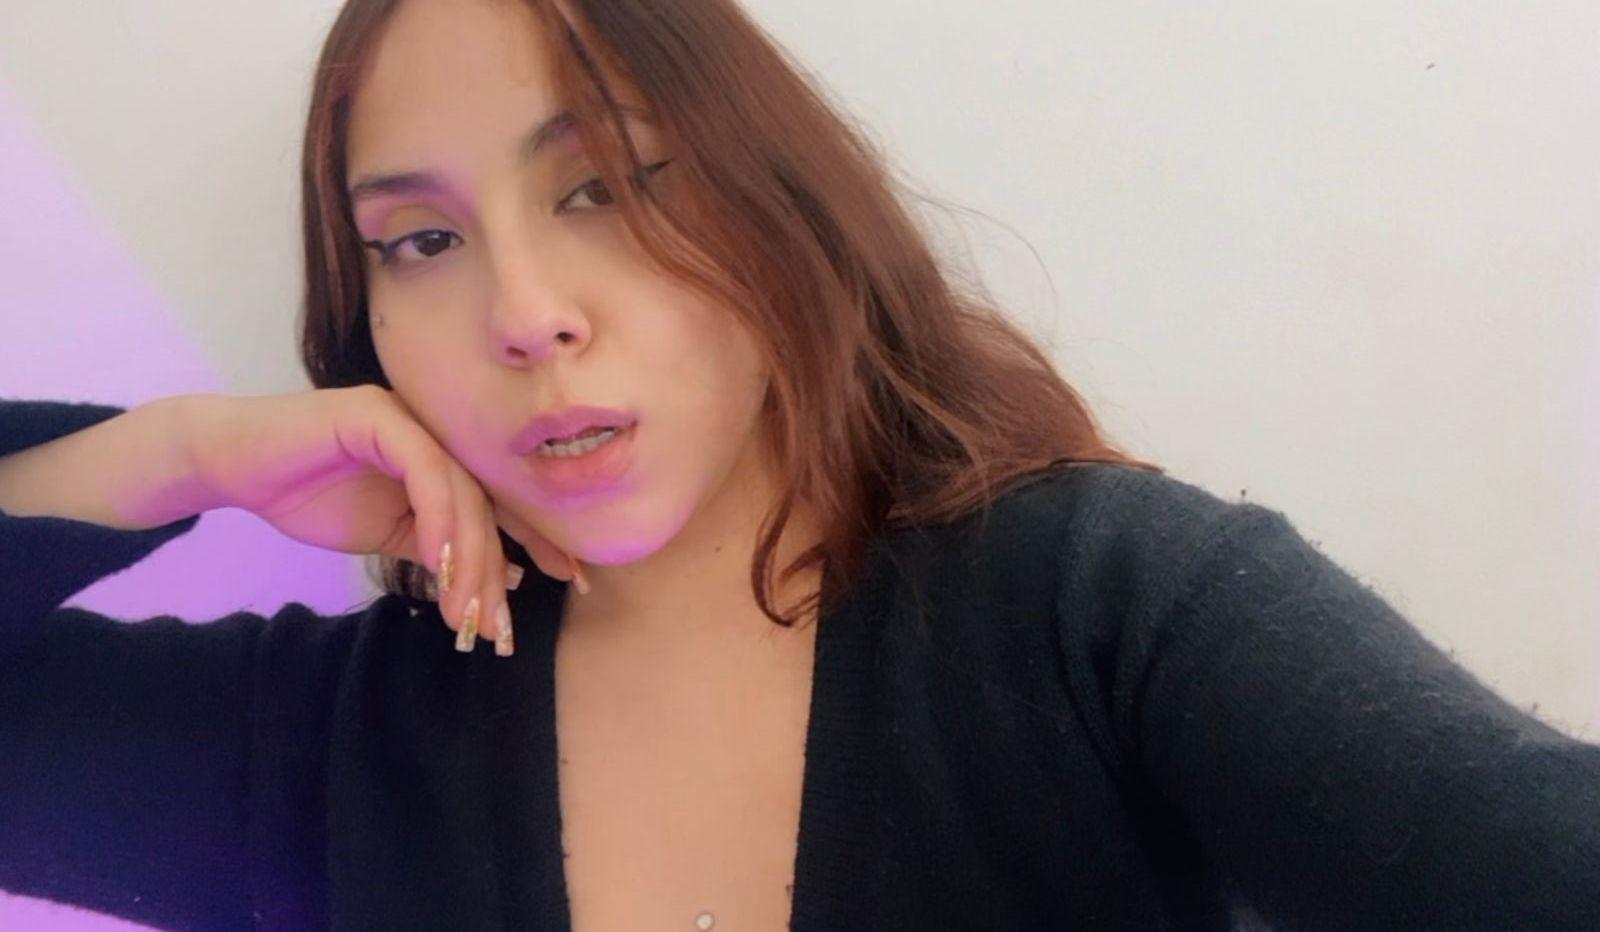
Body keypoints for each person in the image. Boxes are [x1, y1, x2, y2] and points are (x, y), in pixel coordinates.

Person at [1, 0, 1596, 930]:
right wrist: (171, 456)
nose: (526, 314)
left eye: (605, 187)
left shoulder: (1108, 610)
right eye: (419, 242)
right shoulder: (338, 739)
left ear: (770, 200)